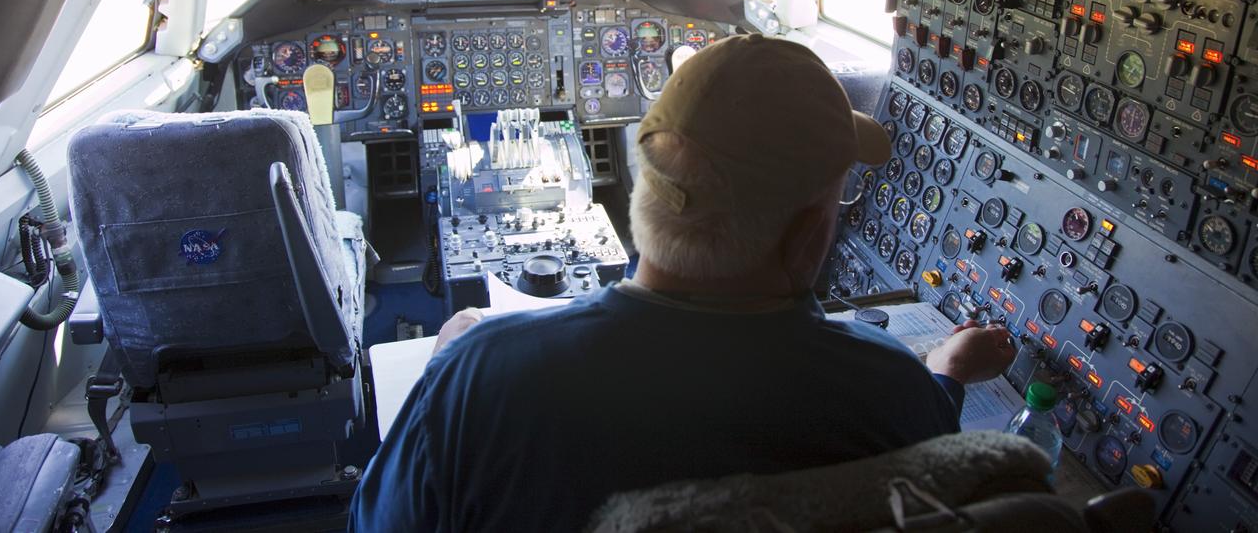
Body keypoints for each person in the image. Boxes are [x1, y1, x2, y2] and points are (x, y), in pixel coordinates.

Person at [349, 34, 1015, 532]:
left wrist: (449, 365)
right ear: (810, 232)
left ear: (643, 190)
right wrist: (945, 369)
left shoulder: (481, 381)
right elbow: (933, 425)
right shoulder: (893, 387)